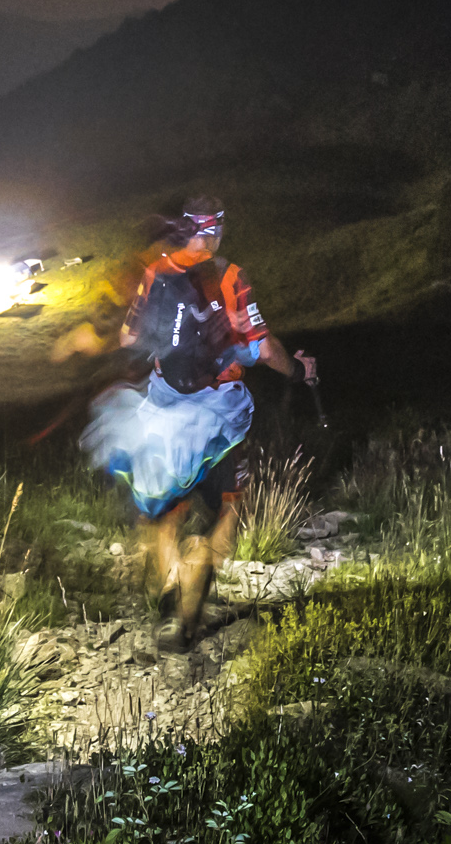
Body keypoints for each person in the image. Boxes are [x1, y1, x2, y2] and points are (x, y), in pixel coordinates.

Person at [76, 199, 315, 650]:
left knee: (165, 511)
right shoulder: (229, 277)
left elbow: (130, 338)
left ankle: (168, 593)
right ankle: (186, 617)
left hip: (162, 408)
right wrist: (301, 371)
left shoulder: (156, 273)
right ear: (217, 232)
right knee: (226, 510)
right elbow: (264, 350)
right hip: (217, 417)